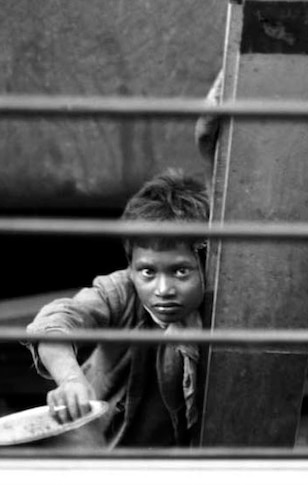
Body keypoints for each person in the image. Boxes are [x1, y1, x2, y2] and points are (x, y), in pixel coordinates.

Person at [24, 169, 210, 448]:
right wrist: (71, 381)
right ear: (130, 267)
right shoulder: (119, 293)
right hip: (100, 452)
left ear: (207, 264)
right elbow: (56, 321)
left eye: (180, 271)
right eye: (147, 272)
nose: (163, 290)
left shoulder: (223, 305)